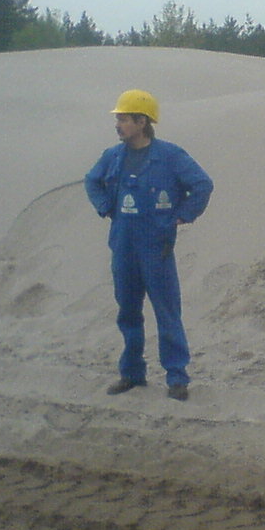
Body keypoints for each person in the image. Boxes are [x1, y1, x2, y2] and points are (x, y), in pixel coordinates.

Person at [85, 89, 214, 400]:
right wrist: (105, 206)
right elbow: (92, 180)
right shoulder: (113, 156)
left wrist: (182, 216)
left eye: (124, 119)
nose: (118, 125)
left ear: (142, 122)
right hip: (123, 246)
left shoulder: (170, 156)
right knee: (128, 313)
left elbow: (202, 185)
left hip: (157, 248)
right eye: (118, 119)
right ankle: (131, 373)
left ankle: (177, 377)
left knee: (167, 312)